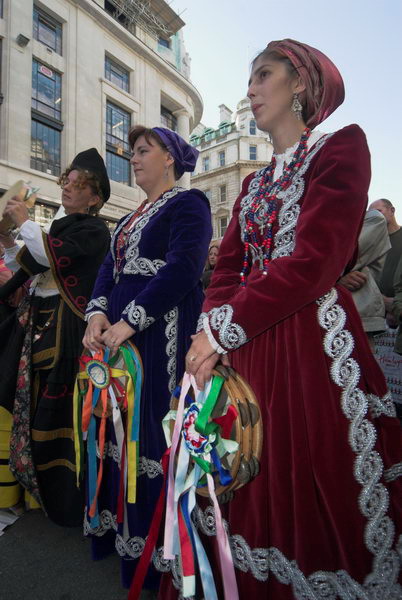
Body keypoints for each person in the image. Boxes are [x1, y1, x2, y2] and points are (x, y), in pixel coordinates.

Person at [178, 39, 402, 599]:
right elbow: (226, 268)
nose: (250, 89)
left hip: (309, 347)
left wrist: (222, 330)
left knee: (307, 477)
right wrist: (210, 333)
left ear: (299, 84)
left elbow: (317, 261)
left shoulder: (340, 149)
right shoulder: (253, 183)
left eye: (263, 75)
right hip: (245, 347)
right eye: (249, 78)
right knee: (241, 470)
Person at [82, 126, 212, 593]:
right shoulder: (128, 218)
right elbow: (106, 271)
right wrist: (96, 315)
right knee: (117, 422)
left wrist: (130, 320)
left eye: (143, 151)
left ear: (171, 160)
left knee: (153, 427)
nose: (133, 158)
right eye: (132, 151)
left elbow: (184, 268)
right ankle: (125, 533)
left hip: (162, 335)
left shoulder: (189, 204)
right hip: (119, 338)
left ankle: (163, 549)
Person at [0, 149, 111, 525]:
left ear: (94, 197)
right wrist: (8, 239)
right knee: (33, 405)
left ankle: (67, 502)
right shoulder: (61, 228)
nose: (67, 186)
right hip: (39, 328)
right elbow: (26, 266)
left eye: (78, 184)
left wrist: (27, 222)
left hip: (66, 334)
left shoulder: (94, 230)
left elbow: (53, 257)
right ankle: (38, 495)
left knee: (60, 412)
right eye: (67, 179)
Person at [338, 208, 390, 344]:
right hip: (319, 313)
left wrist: (333, 281)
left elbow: (339, 259)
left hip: (356, 316)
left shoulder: (374, 219)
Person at [368, 198, 402, 326]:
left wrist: (395, 305)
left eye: (378, 211)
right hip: (376, 313)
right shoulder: (370, 243)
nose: (374, 217)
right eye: (370, 214)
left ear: (392, 210)